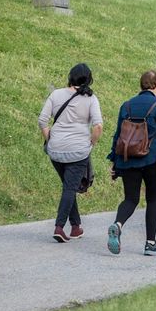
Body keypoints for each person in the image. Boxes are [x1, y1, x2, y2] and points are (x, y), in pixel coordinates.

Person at [106, 71, 156, 256]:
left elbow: (118, 135)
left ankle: (118, 225)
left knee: (130, 199)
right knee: (153, 199)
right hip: (152, 159)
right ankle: (150, 243)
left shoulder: (126, 105)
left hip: (128, 159)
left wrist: (114, 160)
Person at [38, 63, 103, 242]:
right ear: (89, 79)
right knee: (69, 187)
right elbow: (98, 126)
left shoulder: (56, 94)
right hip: (78, 151)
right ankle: (59, 227)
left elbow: (42, 120)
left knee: (69, 186)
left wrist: (50, 138)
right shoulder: (91, 99)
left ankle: (76, 227)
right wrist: (91, 143)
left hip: (55, 150)